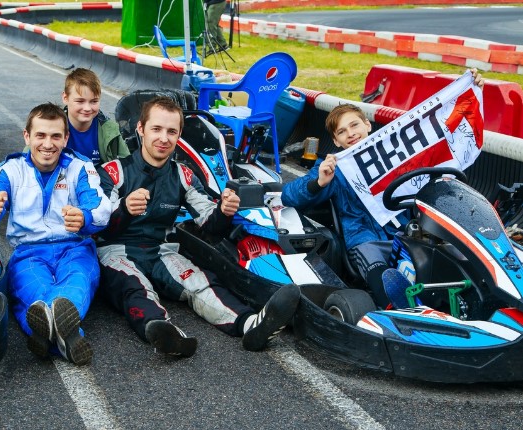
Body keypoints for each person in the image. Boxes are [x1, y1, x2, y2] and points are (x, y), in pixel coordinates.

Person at [96, 96, 300, 357]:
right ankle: (163, 332)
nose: (163, 138)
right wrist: (124, 208)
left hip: (160, 250)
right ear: (141, 128)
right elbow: (97, 227)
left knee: (199, 280)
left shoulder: (184, 175)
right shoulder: (112, 171)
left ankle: (250, 325)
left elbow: (209, 223)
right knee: (134, 287)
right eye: (156, 129)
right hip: (115, 252)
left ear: (179, 134)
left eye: (171, 131)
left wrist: (224, 211)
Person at [282, 69, 485, 308]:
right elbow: (289, 196)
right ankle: (394, 306)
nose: (351, 134)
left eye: (354, 125)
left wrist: (472, 89)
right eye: (342, 132)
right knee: (373, 260)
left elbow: (438, 127)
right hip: (364, 238)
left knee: (445, 249)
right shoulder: (335, 167)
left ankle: (462, 299)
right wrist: (319, 182)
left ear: (367, 124)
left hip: (407, 232)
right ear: (336, 141)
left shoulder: (396, 152)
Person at [0, 102, 111, 366]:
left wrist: (85, 217)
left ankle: (42, 335)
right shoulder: (10, 169)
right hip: (29, 253)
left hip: (75, 248)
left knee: (77, 282)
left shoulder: (80, 166)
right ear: (27, 136)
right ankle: (69, 338)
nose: (48, 144)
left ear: (66, 138)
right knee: (34, 291)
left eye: (56, 136)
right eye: (40, 135)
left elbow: (102, 207)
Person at [61, 67, 129, 164]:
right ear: (65, 98)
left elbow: (127, 165)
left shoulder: (109, 130)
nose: (87, 108)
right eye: (80, 101)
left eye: (94, 101)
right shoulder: (50, 127)